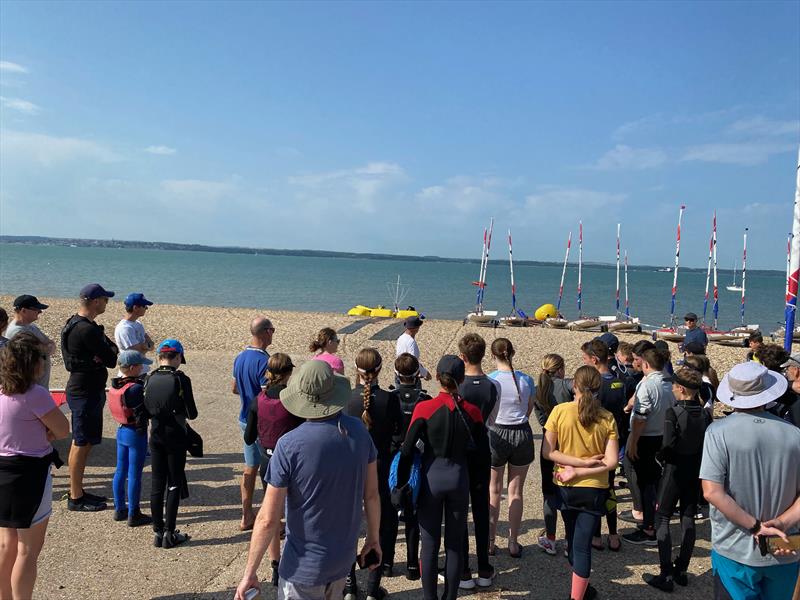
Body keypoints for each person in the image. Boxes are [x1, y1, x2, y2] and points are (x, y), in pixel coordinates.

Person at [234, 360, 380, 600]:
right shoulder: (359, 432)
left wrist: (249, 572)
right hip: (342, 559)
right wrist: (373, 539)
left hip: (302, 568)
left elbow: (268, 519)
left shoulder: (289, 445)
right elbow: (372, 495)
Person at [701, 362, 800, 600]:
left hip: (734, 545)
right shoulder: (794, 434)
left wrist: (756, 526)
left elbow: (712, 492)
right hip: (783, 545)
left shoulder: (718, 432)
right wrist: (780, 524)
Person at [401, 355, 483, 600]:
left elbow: (406, 450)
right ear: (461, 379)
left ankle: (429, 598)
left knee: (429, 544)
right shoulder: (473, 412)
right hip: (459, 479)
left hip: (431, 479)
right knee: (455, 543)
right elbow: (481, 455)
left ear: (437, 377)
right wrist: (478, 485)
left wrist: (402, 483)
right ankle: (450, 597)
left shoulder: (424, 408)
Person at [0, 332, 70, 600]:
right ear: (33, 363)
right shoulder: (36, 394)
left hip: (3, 471)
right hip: (29, 475)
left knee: (6, 544)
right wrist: (46, 432)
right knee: (28, 550)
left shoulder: (2, 393)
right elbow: (62, 429)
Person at [542, 366, 619, 600]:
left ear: (574, 385)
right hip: (594, 489)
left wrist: (575, 467)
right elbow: (612, 461)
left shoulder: (560, 411)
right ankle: (578, 595)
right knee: (582, 545)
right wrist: (584, 467)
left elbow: (548, 452)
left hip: (566, 485)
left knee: (573, 539)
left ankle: (579, 591)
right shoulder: (606, 417)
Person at [643, 367, 711, 592]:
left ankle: (666, 574)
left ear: (681, 388)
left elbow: (668, 445)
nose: (671, 388)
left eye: (673, 385)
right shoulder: (704, 413)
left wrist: (658, 457)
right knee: (688, 517)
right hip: (695, 470)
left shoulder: (673, 412)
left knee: (662, 518)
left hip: (674, 469)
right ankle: (681, 569)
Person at [344, 348, 403, 600]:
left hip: (351, 469)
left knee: (348, 527)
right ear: (379, 369)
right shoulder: (390, 399)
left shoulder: (347, 399)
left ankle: (349, 584)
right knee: (382, 527)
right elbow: (398, 436)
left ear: (356, 370)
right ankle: (372, 586)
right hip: (380, 467)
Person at [243, 353, 302, 587]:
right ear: (289, 373)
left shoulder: (258, 399)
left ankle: (276, 565)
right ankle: (294, 560)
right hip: (292, 461)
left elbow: (249, 437)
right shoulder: (293, 400)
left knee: (273, 515)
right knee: (295, 512)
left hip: (268, 461)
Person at [60, 283, 118, 512]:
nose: (106, 304)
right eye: (105, 300)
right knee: (81, 442)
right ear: (95, 302)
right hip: (84, 391)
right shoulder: (86, 329)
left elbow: (110, 351)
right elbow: (112, 357)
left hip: (86, 388)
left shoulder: (77, 323)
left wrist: (104, 351)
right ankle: (75, 496)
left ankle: (79, 490)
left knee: (86, 441)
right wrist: (104, 352)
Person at [145, 339, 197, 549]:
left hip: (155, 434)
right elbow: (192, 413)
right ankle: (170, 532)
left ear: (159, 357)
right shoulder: (181, 379)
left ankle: (157, 532)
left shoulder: (149, 378)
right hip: (175, 436)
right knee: (174, 483)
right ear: (177, 357)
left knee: (157, 484)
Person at [487, 338, 535, 559]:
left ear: (492, 355)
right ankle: (513, 542)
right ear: (513, 353)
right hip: (521, 432)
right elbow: (528, 409)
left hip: (497, 433)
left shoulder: (491, 380)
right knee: (516, 492)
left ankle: (490, 541)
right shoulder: (526, 379)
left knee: (494, 491)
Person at [456, 333, 498, 588]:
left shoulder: (458, 386)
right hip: (482, 446)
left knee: (461, 509)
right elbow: (491, 419)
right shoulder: (493, 385)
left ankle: (463, 570)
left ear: (463, 357)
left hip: (462, 449)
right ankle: (484, 567)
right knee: (481, 509)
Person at [622, 347, 675, 546]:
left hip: (647, 438)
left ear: (646, 364)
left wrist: (633, 442)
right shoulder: (670, 381)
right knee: (657, 482)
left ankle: (649, 529)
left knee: (646, 484)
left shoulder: (647, 386)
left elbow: (640, 418)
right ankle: (656, 523)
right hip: (665, 436)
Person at [582, 340, 626, 552]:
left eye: (585, 359)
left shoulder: (595, 385)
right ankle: (614, 535)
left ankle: (597, 536)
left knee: (596, 489)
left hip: (596, 442)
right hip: (614, 441)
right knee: (609, 488)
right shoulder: (619, 382)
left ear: (594, 359)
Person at [232, 316, 274, 531]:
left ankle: (246, 515)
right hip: (261, 422)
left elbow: (234, 387)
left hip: (244, 418)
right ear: (265, 332)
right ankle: (271, 518)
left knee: (250, 468)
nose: (273, 333)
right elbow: (267, 394)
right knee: (269, 468)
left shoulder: (240, 357)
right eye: (272, 330)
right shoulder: (264, 361)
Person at [392, 352, 429, 581]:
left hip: (395, 455)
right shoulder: (424, 399)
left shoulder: (392, 397)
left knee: (392, 510)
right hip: (417, 455)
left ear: (397, 374)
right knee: (413, 514)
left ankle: (387, 561)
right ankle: (412, 564)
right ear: (417, 374)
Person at [533, 353, 573, 556]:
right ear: (560, 369)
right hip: (568, 444)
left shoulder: (538, 389)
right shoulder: (567, 386)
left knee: (548, 493)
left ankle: (550, 538)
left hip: (549, 443)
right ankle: (568, 539)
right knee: (566, 492)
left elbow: (541, 420)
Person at [109, 350, 153, 527]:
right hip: (135, 433)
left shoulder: (117, 384)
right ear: (133, 367)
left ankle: (119, 508)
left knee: (120, 470)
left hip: (121, 431)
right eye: (140, 365)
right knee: (134, 474)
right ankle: (134, 513)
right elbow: (145, 410)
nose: (143, 368)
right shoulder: (135, 388)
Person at [6, 295, 55, 388]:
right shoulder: (17, 331)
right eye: (36, 309)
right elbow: (44, 349)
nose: (40, 312)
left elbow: (51, 343)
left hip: (40, 386)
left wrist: (46, 348)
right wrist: (46, 348)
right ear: (23, 311)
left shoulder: (31, 326)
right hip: (29, 389)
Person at [114, 293, 155, 374]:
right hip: (130, 371)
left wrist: (145, 346)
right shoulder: (124, 328)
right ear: (135, 308)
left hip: (141, 369)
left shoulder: (138, 323)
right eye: (144, 306)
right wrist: (146, 346)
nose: (146, 308)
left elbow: (151, 345)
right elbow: (136, 351)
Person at [395, 316, 431, 382]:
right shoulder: (411, 342)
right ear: (416, 328)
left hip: (399, 373)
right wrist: (425, 373)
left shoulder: (401, 338)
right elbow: (413, 363)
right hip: (409, 377)